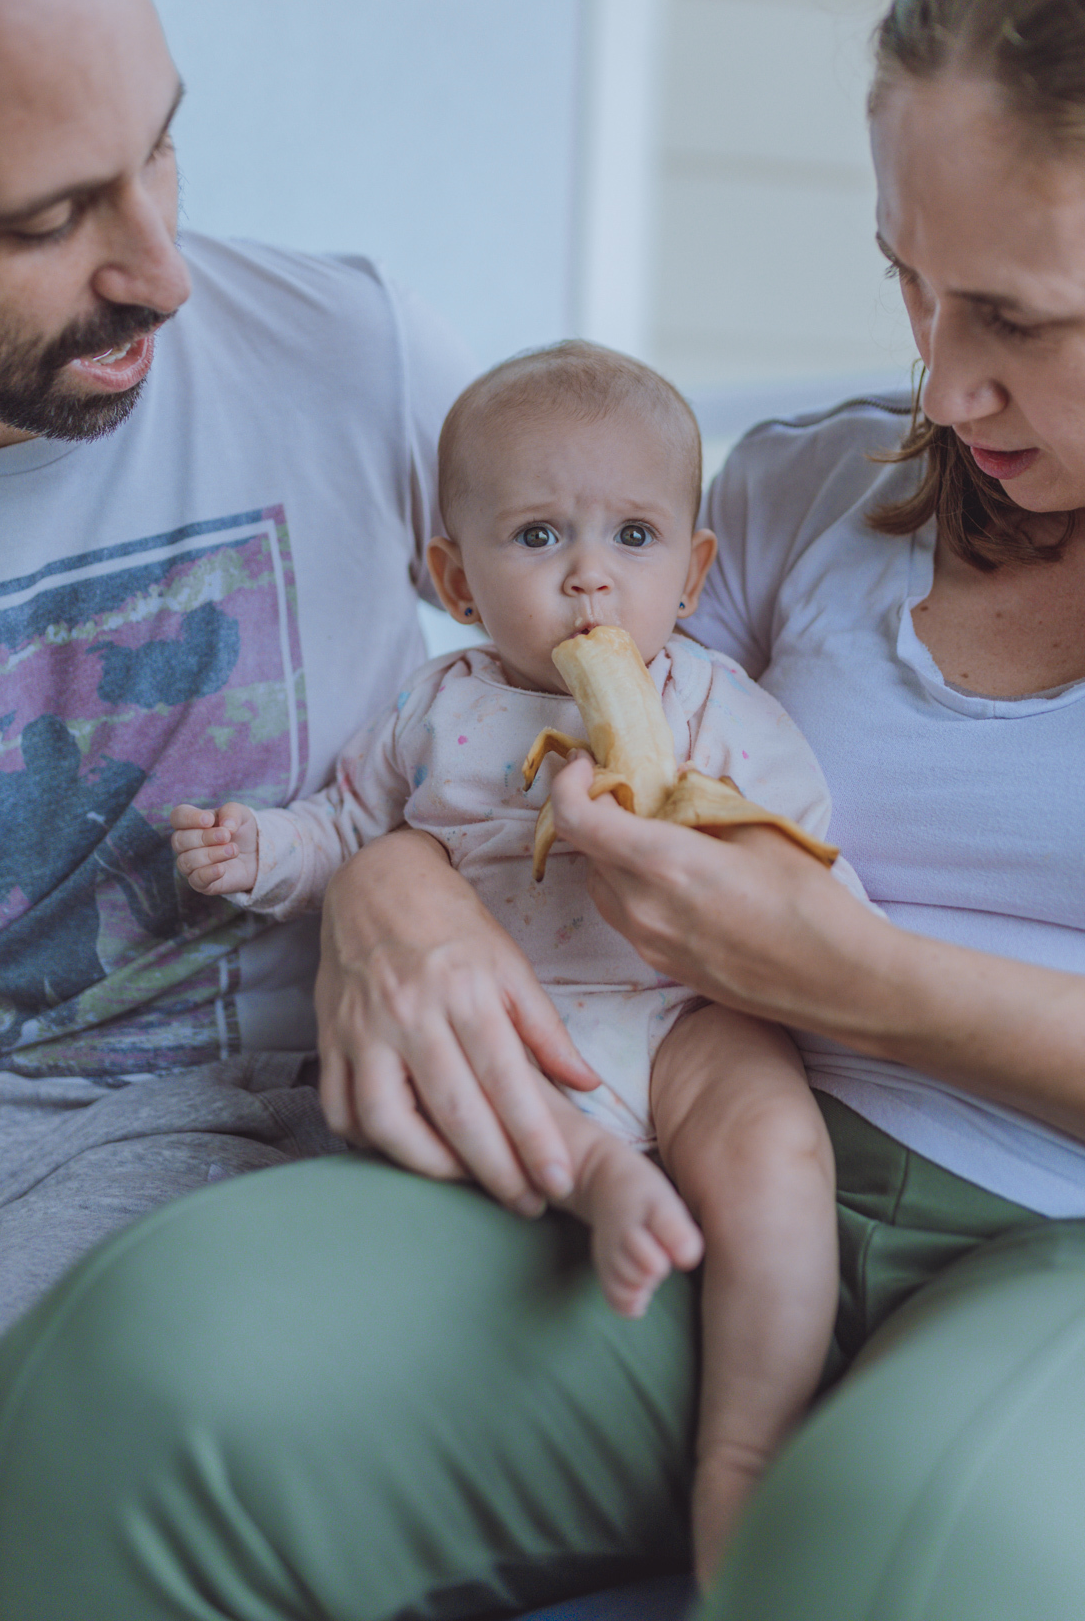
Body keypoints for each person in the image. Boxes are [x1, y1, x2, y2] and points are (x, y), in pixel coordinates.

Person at [3, 0, 1085, 1617]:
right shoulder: (809, 498)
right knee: (152, 1373)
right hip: (674, 1138)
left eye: (1018, 319)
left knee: (907, 1553)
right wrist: (389, 888)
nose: (940, 386)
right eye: (908, 281)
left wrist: (869, 984)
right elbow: (500, 721)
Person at [170, 340, 862, 1582]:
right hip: (517, 1011)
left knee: (779, 1148)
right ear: (455, 575)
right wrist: (259, 849)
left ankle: (751, 1446)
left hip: (683, 1010)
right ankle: (601, 1185)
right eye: (539, 538)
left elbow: (802, 861)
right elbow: (350, 830)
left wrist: (771, 892)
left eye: (635, 538)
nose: (592, 579)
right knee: (436, 1095)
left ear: (695, 572)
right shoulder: (436, 710)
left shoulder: (714, 705)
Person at [0, 0, 480, 1338]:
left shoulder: (346, 355)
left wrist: (405, 866)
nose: (165, 270)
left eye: (160, 147)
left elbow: (676, 654)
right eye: (49, 220)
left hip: (369, 1168)